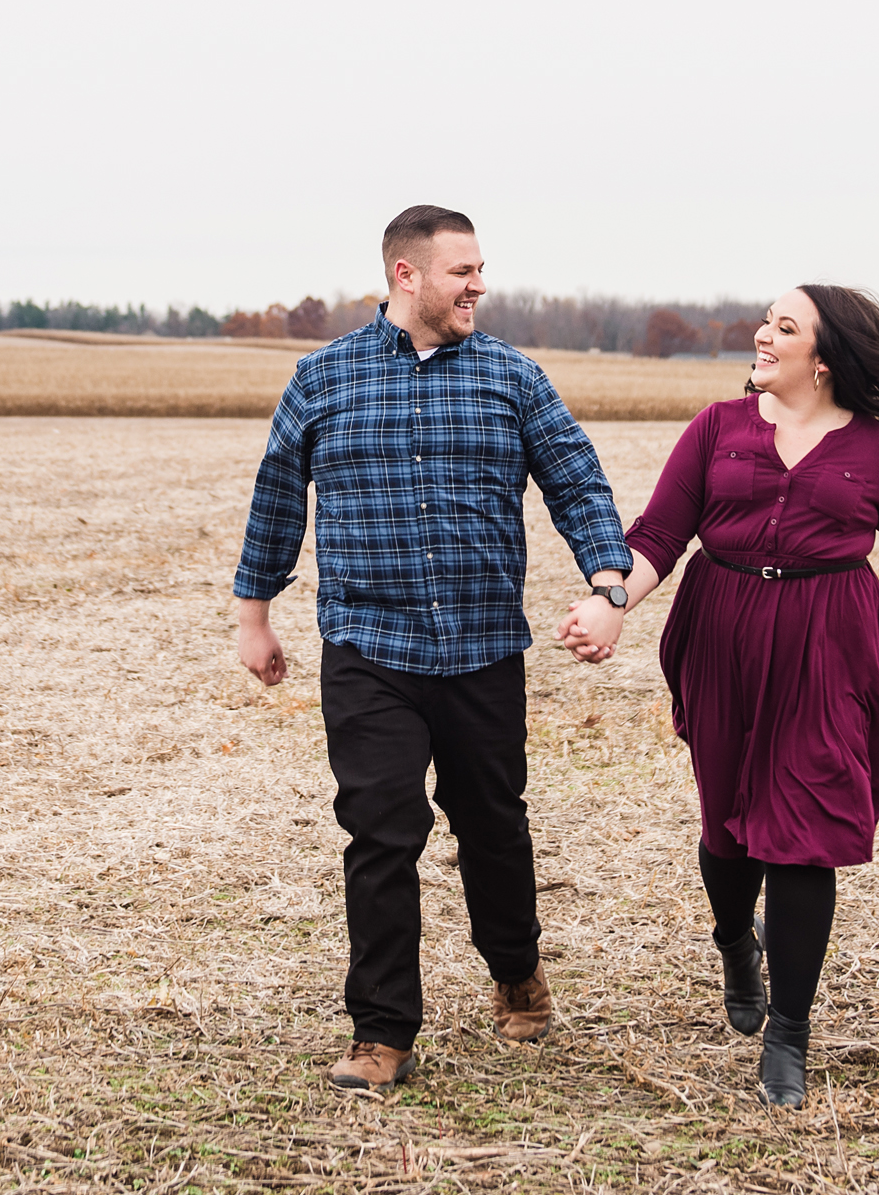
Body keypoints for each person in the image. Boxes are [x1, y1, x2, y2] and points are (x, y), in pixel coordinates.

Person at [556, 283, 879, 1107]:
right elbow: (660, 532)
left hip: (828, 643)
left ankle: (790, 1032)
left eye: (784, 326)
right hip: (723, 632)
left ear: (825, 357)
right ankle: (736, 937)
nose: (762, 335)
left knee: (805, 834)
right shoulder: (717, 429)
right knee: (729, 829)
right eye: (768, 320)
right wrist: (610, 603)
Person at [234, 205, 632, 1092]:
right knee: (380, 832)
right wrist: (253, 615)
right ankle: (381, 1030)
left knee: (493, 824)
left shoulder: (512, 378)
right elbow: (275, 501)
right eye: (462, 271)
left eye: (482, 268)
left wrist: (608, 579)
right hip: (369, 650)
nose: (479, 285)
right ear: (406, 275)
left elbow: (577, 479)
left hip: (483, 648)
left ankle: (516, 967)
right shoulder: (322, 379)